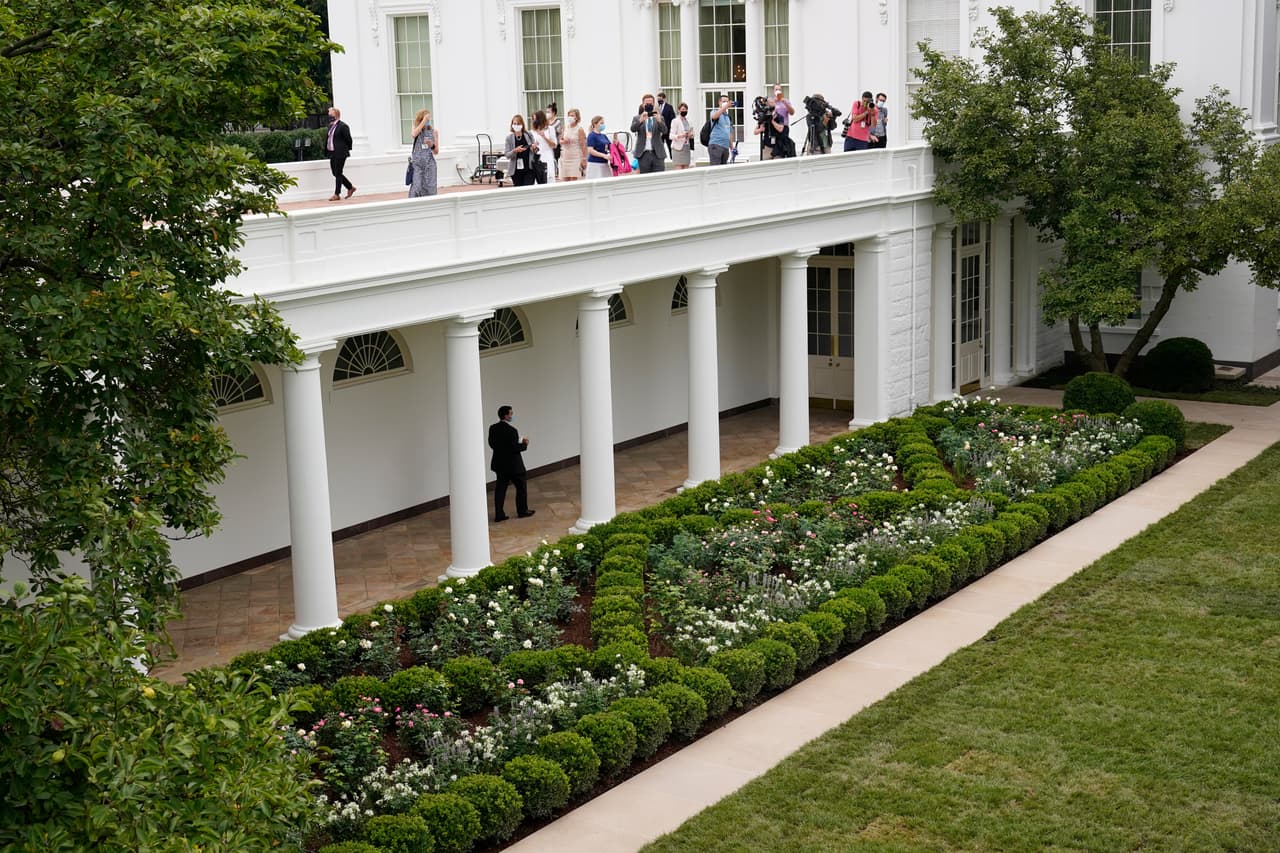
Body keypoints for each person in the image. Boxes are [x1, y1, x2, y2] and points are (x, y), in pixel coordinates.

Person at [489, 405, 533, 521]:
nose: (512, 415)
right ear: (506, 416)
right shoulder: (512, 431)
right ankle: (522, 511)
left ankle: (499, 514)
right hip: (514, 466)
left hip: (499, 464)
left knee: (500, 490)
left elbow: (491, 444)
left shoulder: (493, 428)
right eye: (511, 414)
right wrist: (524, 444)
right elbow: (515, 448)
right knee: (521, 488)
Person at [630, 93, 667, 174]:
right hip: (643, 153)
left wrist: (659, 121)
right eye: (647, 104)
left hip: (657, 153)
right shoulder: (637, 118)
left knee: (659, 177)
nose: (649, 105)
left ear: (653, 104)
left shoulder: (659, 117)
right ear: (643, 104)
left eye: (650, 103)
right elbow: (633, 129)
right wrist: (640, 121)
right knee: (645, 178)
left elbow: (665, 131)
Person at [325, 106, 356, 201]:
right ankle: (350, 187)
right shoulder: (330, 126)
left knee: (338, 173)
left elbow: (349, 139)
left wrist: (344, 149)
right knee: (335, 173)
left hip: (341, 152)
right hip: (332, 152)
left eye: (331, 114)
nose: (329, 116)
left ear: (336, 115)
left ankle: (337, 194)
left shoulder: (343, 126)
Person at [407, 107, 438, 197]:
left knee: (430, 188)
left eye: (428, 119)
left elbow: (436, 151)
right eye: (426, 119)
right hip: (417, 164)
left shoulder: (434, 132)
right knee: (416, 187)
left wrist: (431, 145)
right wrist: (423, 121)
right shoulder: (416, 129)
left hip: (429, 164)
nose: (428, 121)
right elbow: (413, 134)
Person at [503, 113, 538, 187]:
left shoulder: (528, 135)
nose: (516, 126)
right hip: (516, 171)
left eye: (518, 124)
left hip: (529, 169)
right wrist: (515, 150)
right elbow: (507, 155)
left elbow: (535, 150)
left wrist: (534, 147)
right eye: (514, 124)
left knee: (528, 189)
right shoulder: (509, 138)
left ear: (522, 124)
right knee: (519, 190)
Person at [559, 107, 587, 181]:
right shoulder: (565, 127)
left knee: (573, 180)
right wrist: (564, 141)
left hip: (575, 157)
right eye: (569, 115)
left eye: (572, 115)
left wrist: (584, 159)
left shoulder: (579, 129)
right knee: (565, 180)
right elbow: (560, 140)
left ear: (577, 117)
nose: (570, 117)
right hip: (565, 156)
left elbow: (583, 145)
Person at [530, 109, 557, 183]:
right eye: (533, 119)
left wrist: (544, 137)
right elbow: (530, 147)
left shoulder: (550, 129)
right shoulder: (532, 132)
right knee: (537, 180)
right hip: (537, 158)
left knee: (548, 178)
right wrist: (533, 146)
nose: (534, 121)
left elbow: (554, 145)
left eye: (535, 119)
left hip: (547, 157)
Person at [707, 95, 734, 166]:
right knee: (715, 168)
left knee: (723, 169)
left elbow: (729, 133)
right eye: (723, 101)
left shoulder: (728, 117)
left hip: (725, 146)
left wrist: (732, 148)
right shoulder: (714, 111)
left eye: (727, 102)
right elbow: (714, 117)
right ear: (719, 102)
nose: (725, 103)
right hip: (716, 145)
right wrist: (724, 107)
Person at [669, 101, 695, 169]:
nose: (684, 111)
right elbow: (671, 135)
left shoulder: (689, 121)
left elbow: (692, 131)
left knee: (686, 169)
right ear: (679, 110)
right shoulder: (675, 121)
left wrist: (691, 135)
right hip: (678, 148)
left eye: (686, 109)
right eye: (683, 109)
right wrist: (681, 136)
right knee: (679, 169)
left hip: (687, 147)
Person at [585, 115, 612, 180]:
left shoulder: (604, 136)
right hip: (595, 164)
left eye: (603, 123)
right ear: (595, 124)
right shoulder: (591, 135)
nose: (603, 125)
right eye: (601, 123)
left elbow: (610, 147)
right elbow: (590, 150)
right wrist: (603, 155)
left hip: (604, 163)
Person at [655, 91, 677, 158]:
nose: (659, 101)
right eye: (658, 99)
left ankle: (672, 158)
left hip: (668, 130)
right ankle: (660, 159)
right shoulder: (656, 107)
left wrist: (671, 129)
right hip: (659, 131)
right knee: (660, 147)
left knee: (670, 146)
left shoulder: (669, 107)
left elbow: (672, 118)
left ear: (664, 99)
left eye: (660, 99)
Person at [545, 102, 564, 168]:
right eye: (546, 112)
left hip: (556, 146)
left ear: (553, 113)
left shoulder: (557, 122)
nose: (547, 113)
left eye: (548, 112)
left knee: (555, 163)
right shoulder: (546, 122)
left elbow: (560, 134)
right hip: (547, 145)